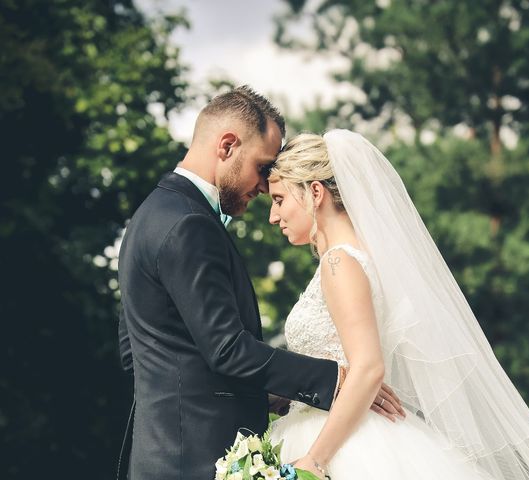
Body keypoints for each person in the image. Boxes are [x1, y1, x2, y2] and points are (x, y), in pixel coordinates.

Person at [116, 88, 403, 480]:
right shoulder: (189, 225)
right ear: (228, 146)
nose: (264, 184)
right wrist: (333, 379)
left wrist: (275, 396)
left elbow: (136, 351)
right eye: (262, 166)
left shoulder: (150, 216)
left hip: (160, 455)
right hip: (195, 458)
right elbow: (226, 348)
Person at [268, 130, 529, 480]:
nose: (273, 216)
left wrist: (314, 460)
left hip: (340, 442)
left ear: (314, 191)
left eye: (279, 200)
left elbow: (369, 368)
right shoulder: (355, 258)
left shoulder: (339, 264)